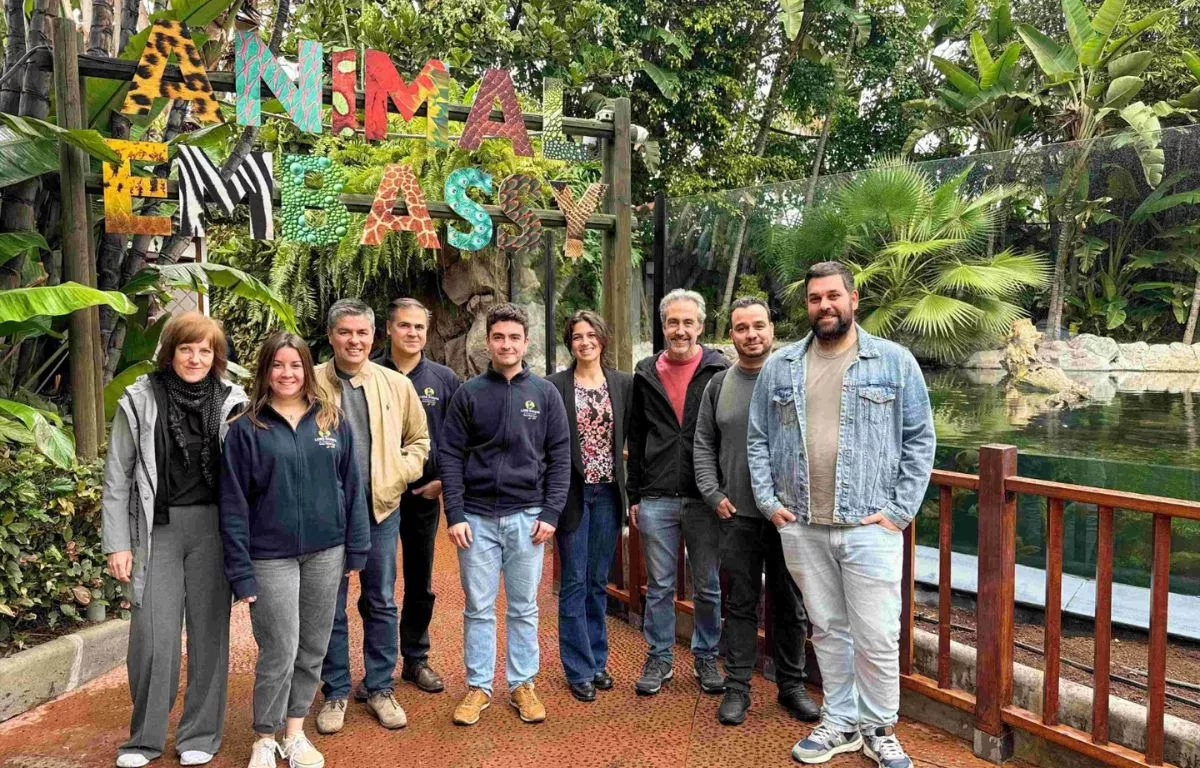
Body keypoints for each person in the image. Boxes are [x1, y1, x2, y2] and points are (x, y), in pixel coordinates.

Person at [747, 262, 935, 768]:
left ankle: (880, 727)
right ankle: (842, 722)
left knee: (875, 633)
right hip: (803, 524)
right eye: (814, 298)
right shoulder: (780, 366)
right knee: (828, 629)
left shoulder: (894, 362)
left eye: (833, 295)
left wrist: (898, 512)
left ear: (854, 299)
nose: (824, 305)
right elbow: (759, 439)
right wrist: (770, 504)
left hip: (870, 525)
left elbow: (920, 440)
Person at [102, 312, 248, 768]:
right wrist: (117, 543)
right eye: (187, 348)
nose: (196, 357)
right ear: (171, 350)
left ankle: (200, 733)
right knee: (151, 637)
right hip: (156, 530)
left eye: (206, 350)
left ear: (216, 356)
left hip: (213, 531)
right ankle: (143, 739)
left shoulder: (232, 400)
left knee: (209, 637)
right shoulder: (140, 398)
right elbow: (117, 478)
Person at [220, 332, 370, 768]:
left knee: (313, 645)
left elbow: (353, 488)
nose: (287, 374)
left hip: (327, 551)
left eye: (296, 365)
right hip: (269, 556)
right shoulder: (245, 428)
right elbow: (233, 506)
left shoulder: (331, 420)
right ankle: (264, 738)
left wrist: (355, 549)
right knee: (279, 647)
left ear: (308, 369)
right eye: (278, 365)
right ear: (266, 370)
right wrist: (240, 571)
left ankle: (294, 732)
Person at [439, 303, 571, 726]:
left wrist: (550, 512)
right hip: (475, 519)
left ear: (525, 342)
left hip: (527, 518)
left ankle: (522, 684)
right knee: (478, 606)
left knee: (523, 606)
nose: (507, 344)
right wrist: (454, 512)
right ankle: (479, 686)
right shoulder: (469, 393)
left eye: (514, 337)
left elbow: (560, 455)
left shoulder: (545, 394)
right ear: (488, 342)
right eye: (499, 337)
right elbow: (450, 454)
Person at [694, 297, 820, 726]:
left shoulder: (794, 381)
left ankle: (791, 686)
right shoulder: (718, 384)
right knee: (741, 603)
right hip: (738, 515)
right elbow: (703, 444)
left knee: (790, 604)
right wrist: (713, 494)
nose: (751, 335)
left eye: (759, 326)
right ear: (731, 334)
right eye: (742, 328)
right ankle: (737, 688)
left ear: (772, 329)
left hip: (786, 517)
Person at [315, 299, 431, 733]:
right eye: (345, 332)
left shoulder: (394, 384)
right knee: (330, 605)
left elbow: (420, 440)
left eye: (362, 333)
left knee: (380, 599)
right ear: (331, 336)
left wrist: (398, 474)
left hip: (380, 509)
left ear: (373, 336)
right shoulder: (310, 384)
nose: (354, 340)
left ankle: (381, 687)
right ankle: (336, 691)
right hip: (327, 515)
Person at [627, 288, 730, 697]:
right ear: (663, 325)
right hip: (656, 495)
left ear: (701, 327)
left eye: (688, 322)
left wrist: (723, 489)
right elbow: (636, 436)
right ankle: (660, 656)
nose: (680, 330)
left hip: (705, 496)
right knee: (661, 585)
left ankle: (706, 656)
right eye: (673, 322)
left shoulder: (719, 372)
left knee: (707, 583)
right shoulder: (646, 372)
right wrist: (634, 495)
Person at [546, 310, 633, 702]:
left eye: (591, 334)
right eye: (577, 336)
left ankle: (598, 662)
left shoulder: (623, 384)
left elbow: (633, 433)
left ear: (603, 338)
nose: (585, 342)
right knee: (575, 583)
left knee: (599, 582)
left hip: (609, 495)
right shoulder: (555, 386)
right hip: (573, 495)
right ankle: (577, 668)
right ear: (570, 343)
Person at [374, 297, 461, 693]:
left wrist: (442, 481)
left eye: (419, 327)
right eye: (404, 326)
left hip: (423, 494)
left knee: (419, 581)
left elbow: (460, 438)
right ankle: (379, 667)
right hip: (375, 495)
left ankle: (415, 658)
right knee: (376, 582)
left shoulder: (443, 379)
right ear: (389, 329)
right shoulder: (368, 372)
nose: (412, 333)